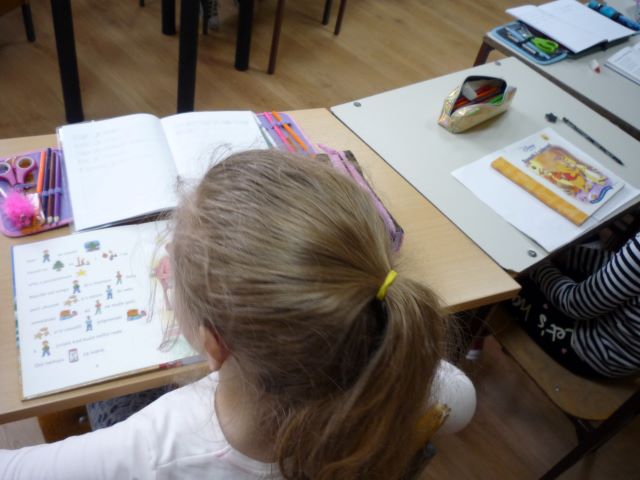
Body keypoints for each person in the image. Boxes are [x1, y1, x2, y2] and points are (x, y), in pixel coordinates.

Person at [0, 150, 475, 479]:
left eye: (171, 276)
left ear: (213, 345)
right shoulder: (395, 365)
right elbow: (464, 400)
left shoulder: (157, 444)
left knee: (102, 399)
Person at [509, 231, 640, 379]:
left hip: (599, 351)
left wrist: (535, 263)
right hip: (623, 345)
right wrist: (564, 255)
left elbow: (575, 305)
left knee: (508, 280)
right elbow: (619, 265)